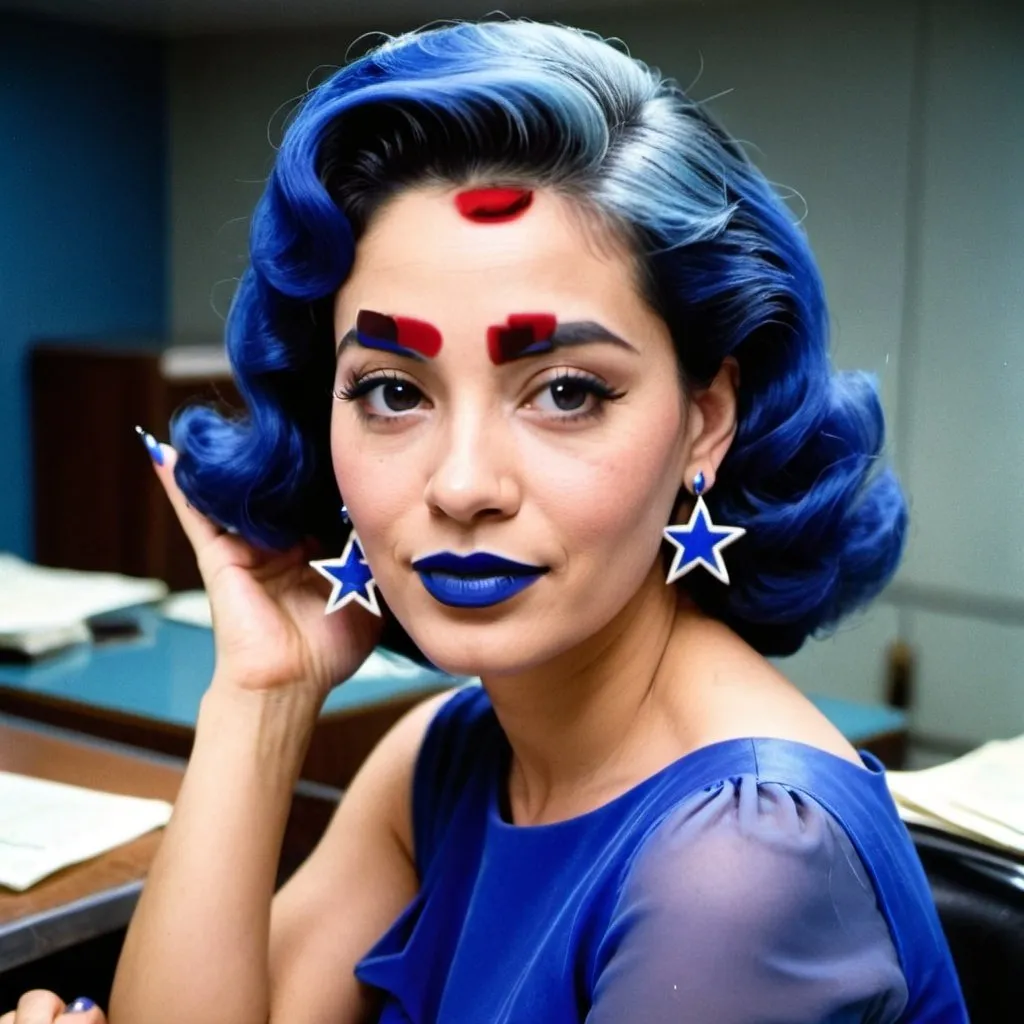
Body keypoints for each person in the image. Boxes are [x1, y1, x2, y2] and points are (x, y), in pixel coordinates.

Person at [3, 19, 966, 1024]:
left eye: (564, 391)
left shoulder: (743, 868)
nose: (462, 484)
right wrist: (264, 692)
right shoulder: (449, 753)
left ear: (703, 419)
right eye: (389, 390)